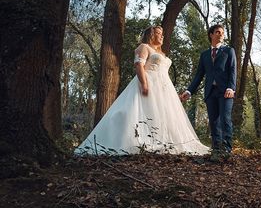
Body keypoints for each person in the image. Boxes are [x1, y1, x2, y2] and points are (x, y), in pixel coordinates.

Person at [75, 26, 210, 155]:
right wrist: (144, 83)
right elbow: (139, 65)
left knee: (164, 114)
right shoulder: (144, 47)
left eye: (162, 33)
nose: (161, 36)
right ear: (151, 35)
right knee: (142, 111)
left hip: (164, 86)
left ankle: (164, 141)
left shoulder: (161, 53)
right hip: (149, 81)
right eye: (158, 33)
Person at [180, 24, 236, 160]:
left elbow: (233, 70)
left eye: (222, 32)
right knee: (214, 122)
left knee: (225, 119)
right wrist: (189, 91)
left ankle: (227, 150)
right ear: (211, 34)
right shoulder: (204, 55)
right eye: (218, 32)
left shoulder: (229, 51)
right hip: (210, 92)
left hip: (225, 92)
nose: (221, 34)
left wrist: (231, 88)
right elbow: (199, 75)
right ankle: (216, 150)